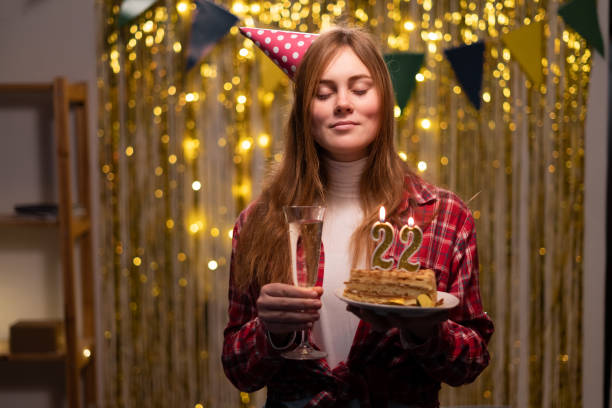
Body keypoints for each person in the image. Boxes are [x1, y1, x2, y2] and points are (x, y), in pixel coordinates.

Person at [222, 26, 494, 408]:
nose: (343, 104)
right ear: (304, 111)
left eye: (360, 89)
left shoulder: (445, 216)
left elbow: (471, 362)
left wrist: (426, 332)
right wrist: (272, 332)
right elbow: (238, 371)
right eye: (323, 92)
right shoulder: (258, 222)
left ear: (383, 99)